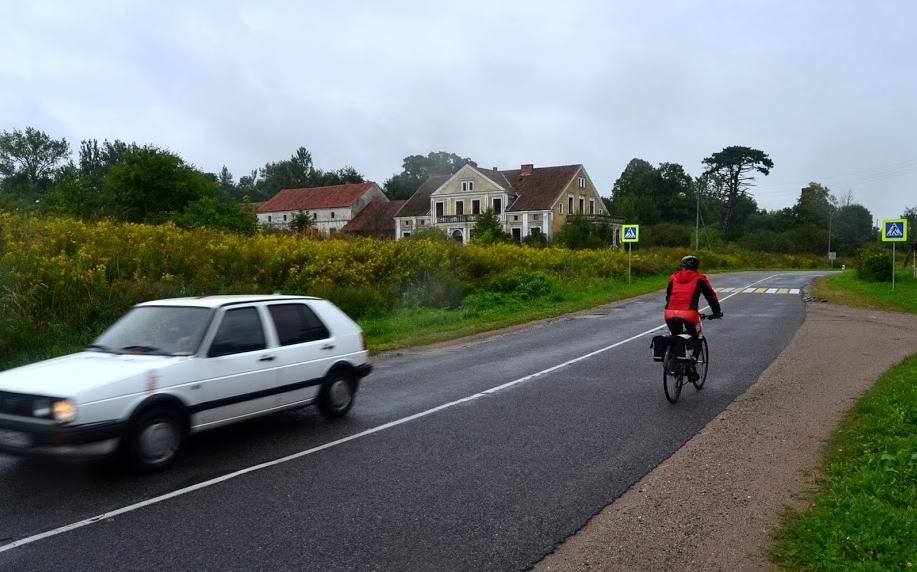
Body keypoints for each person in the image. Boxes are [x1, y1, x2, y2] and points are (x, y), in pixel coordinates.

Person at [664, 255, 723, 381]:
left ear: (682, 266)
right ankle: (692, 361)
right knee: (697, 337)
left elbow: (668, 296)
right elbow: (710, 296)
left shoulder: (673, 277)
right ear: (696, 267)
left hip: (669, 313)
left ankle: (673, 363)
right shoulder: (700, 278)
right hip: (689, 314)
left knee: (676, 336)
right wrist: (716, 312)